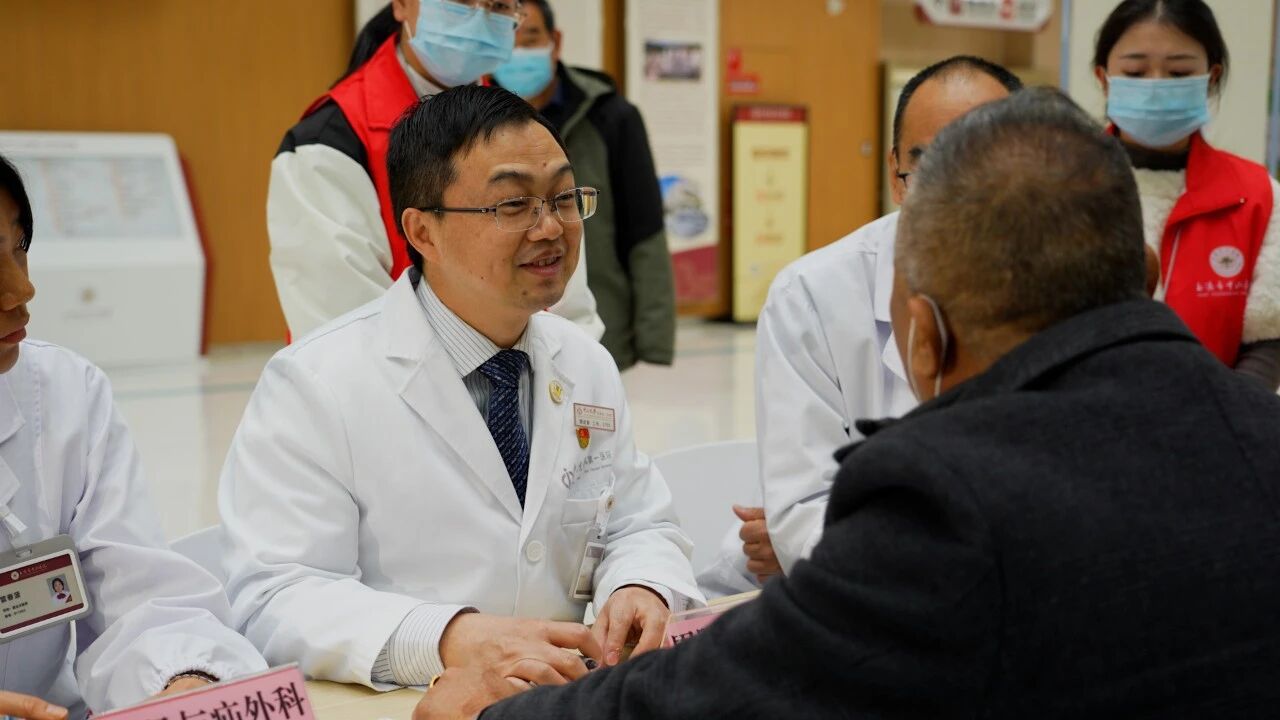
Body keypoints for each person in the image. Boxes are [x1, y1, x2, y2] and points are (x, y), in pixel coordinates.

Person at [417, 87, 1280, 719]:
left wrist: (492, 714)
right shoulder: (1259, 430)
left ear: (924, 336)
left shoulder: (955, 503)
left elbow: (732, 693)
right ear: (1146, 275)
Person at [221, 86, 702, 691]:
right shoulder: (315, 383)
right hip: (412, 700)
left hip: (562, 698)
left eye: (563, 197)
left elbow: (637, 522)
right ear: (423, 232)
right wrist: (448, 638)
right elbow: (277, 595)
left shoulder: (585, 363)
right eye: (512, 204)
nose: (551, 227)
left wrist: (641, 584)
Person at [699, 56, 1023, 597]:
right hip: (873, 603)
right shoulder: (813, 295)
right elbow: (804, 512)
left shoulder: (1066, 283)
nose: (959, 192)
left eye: (984, 163)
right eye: (930, 166)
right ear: (896, 173)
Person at [0, 156, 266, 719]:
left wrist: (183, 677)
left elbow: (138, 598)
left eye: (19, 248)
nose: (21, 290)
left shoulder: (64, 395)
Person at [267, 0, 603, 340]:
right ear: (402, 4)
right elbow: (348, 336)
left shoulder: (526, 130)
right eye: (460, 1)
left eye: (499, 4)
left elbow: (570, 314)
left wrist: (560, 365)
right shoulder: (328, 145)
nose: (479, 18)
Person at [1095, 0, 1280, 390]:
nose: (1156, 86)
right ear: (1104, 77)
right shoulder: (1061, 184)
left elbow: (1268, 340)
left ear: (1211, 77)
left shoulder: (1258, 196)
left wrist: (1222, 414)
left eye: (1178, 72)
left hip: (1218, 417)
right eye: (1135, 72)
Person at [492, 0, 675, 370]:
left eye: (530, 38)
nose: (518, 51)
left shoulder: (610, 117)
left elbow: (645, 230)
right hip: (501, 328)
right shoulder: (473, 121)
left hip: (603, 328)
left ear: (555, 41)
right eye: (506, 39)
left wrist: (654, 341)